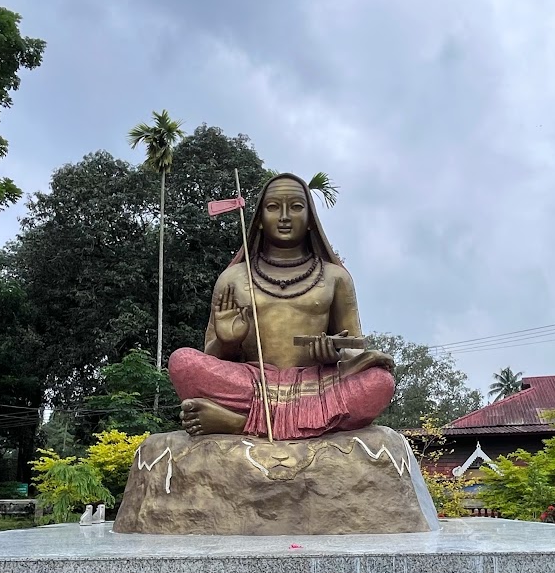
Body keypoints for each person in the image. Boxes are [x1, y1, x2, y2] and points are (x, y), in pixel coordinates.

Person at [169, 174, 396, 438]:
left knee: (380, 383)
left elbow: (353, 348)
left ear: (311, 220)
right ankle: (299, 421)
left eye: (296, 207)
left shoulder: (335, 277)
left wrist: (334, 355)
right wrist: (228, 341)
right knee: (182, 362)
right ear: (260, 220)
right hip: (254, 383)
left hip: (316, 384)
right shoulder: (233, 278)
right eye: (273, 207)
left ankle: (241, 424)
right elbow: (212, 357)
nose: (285, 216)